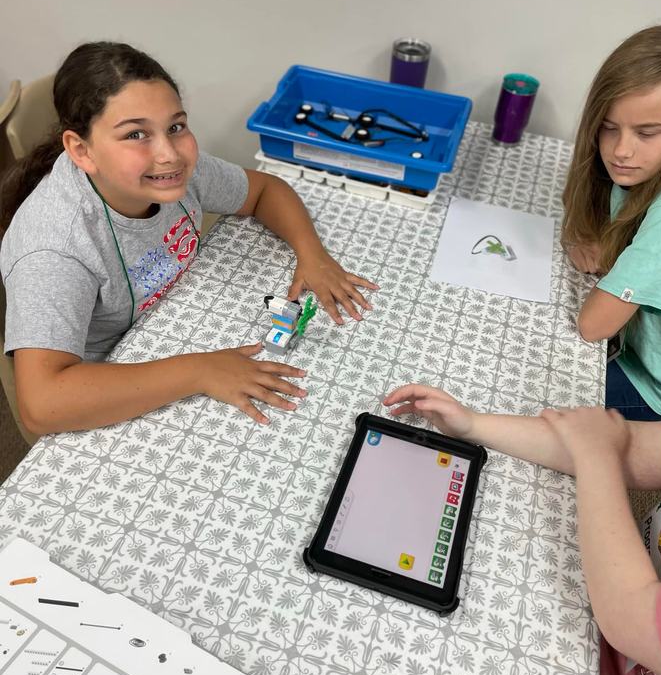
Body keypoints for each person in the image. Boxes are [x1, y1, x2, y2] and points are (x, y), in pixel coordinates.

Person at [0, 41, 378, 433]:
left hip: (174, 330)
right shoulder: (53, 247)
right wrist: (200, 370)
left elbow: (265, 190)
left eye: (175, 127)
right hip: (107, 387)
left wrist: (312, 254)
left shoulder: (171, 172)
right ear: (81, 150)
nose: (169, 153)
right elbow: (42, 404)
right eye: (136, 134)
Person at [383, 383, 661, 675]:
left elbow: (629, 614)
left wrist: (595, 453)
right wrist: (472, 425)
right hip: (596, 640)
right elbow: (634, 449)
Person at [560, 23, 661, 421]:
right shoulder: (650, 168)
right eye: (608, 128)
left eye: (646, 133)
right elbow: (591, 239)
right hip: (637, 351)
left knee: (531, 400)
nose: (621, 151)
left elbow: (593, 325)